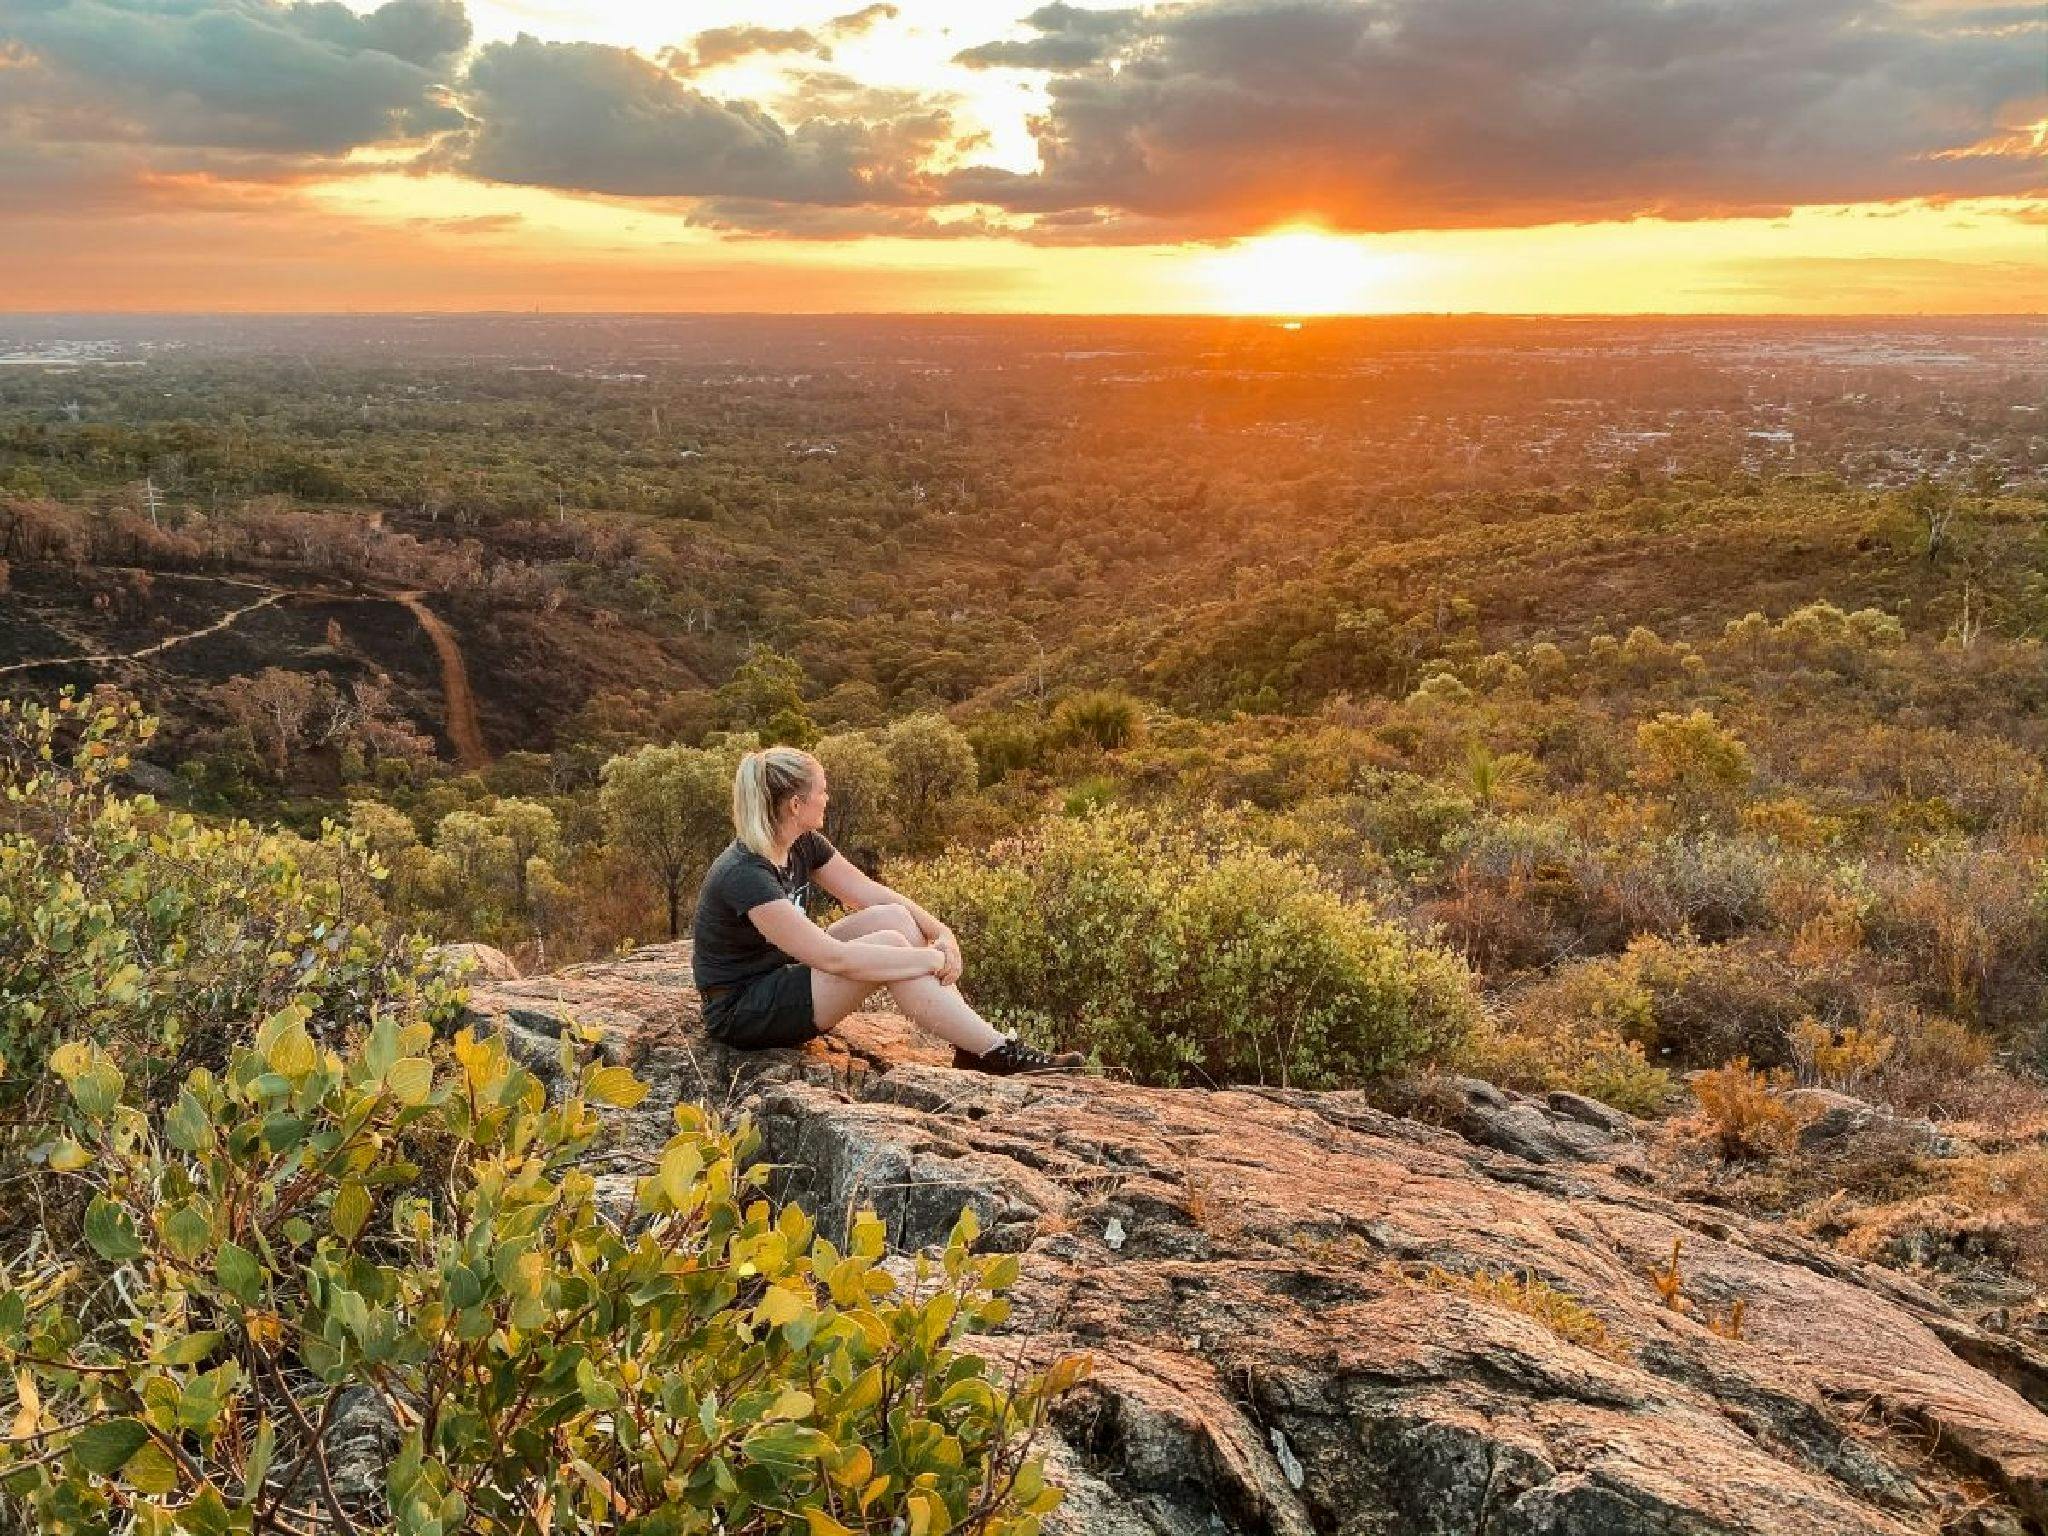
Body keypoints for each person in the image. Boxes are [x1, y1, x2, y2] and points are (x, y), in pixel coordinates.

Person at [690, 745, 1087, 1076]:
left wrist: (942, 932)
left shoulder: (800, 843)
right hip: (743, 1011)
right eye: (822, 791)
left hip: (780, 974)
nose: (827, 798)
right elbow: (834, 958)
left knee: (895, 918)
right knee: (891, 940)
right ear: (796, 804)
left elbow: (867, 892)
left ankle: (971, 1046)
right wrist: (929, 959)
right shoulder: (745, 873)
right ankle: (998, 1052)